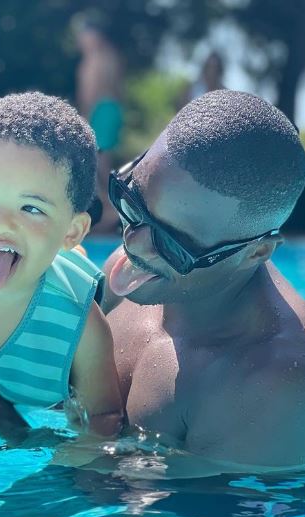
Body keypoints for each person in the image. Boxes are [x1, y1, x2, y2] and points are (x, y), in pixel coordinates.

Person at [102, 89, 305, 473]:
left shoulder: (271, 386)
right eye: (132, 201)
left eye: (172, 242)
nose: (134, 243)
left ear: (256, 253)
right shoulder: (133, 272)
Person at [0, 91, 123, 439]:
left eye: (31, 208)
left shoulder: (79, 326)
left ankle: (70, 255)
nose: (1, 222)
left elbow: (103, 417)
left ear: (73, 230)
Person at [76, 20, 124, 235]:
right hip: (112, 109)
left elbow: (90, 95)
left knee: (98, 165)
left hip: (99, 112)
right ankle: (115, 211)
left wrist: (85, 119)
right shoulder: (111, 56)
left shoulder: (92, 60)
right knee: (104, 164)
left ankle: (112, 213)